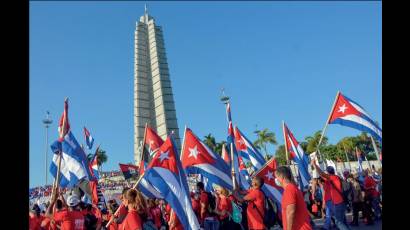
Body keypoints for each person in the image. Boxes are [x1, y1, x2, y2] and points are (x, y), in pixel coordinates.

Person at [312, 162, 350, 230]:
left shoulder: (333, 178)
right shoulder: (334, 178)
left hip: (338, 203)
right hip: (340, 202)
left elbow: (321, 173)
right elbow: (321, 176)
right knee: (343, 221)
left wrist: (315, 165)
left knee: (338, 222)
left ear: (328, 172)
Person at [273, 166, 312, 230]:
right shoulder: (292, 188)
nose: (276, 179)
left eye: (276, 177)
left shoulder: (289, 189)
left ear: (282, 177)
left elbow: (291, 212)